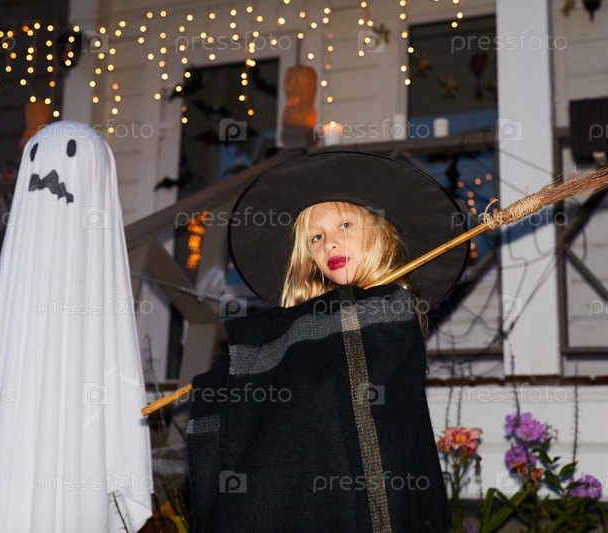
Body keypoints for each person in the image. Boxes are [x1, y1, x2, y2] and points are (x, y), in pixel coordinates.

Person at [185, 151, 469, 532]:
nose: (330, 244)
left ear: (381, 233)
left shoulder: (391, 316)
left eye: (345, 225)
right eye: (316, 237)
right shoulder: (293, 336)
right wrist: (222, 384)